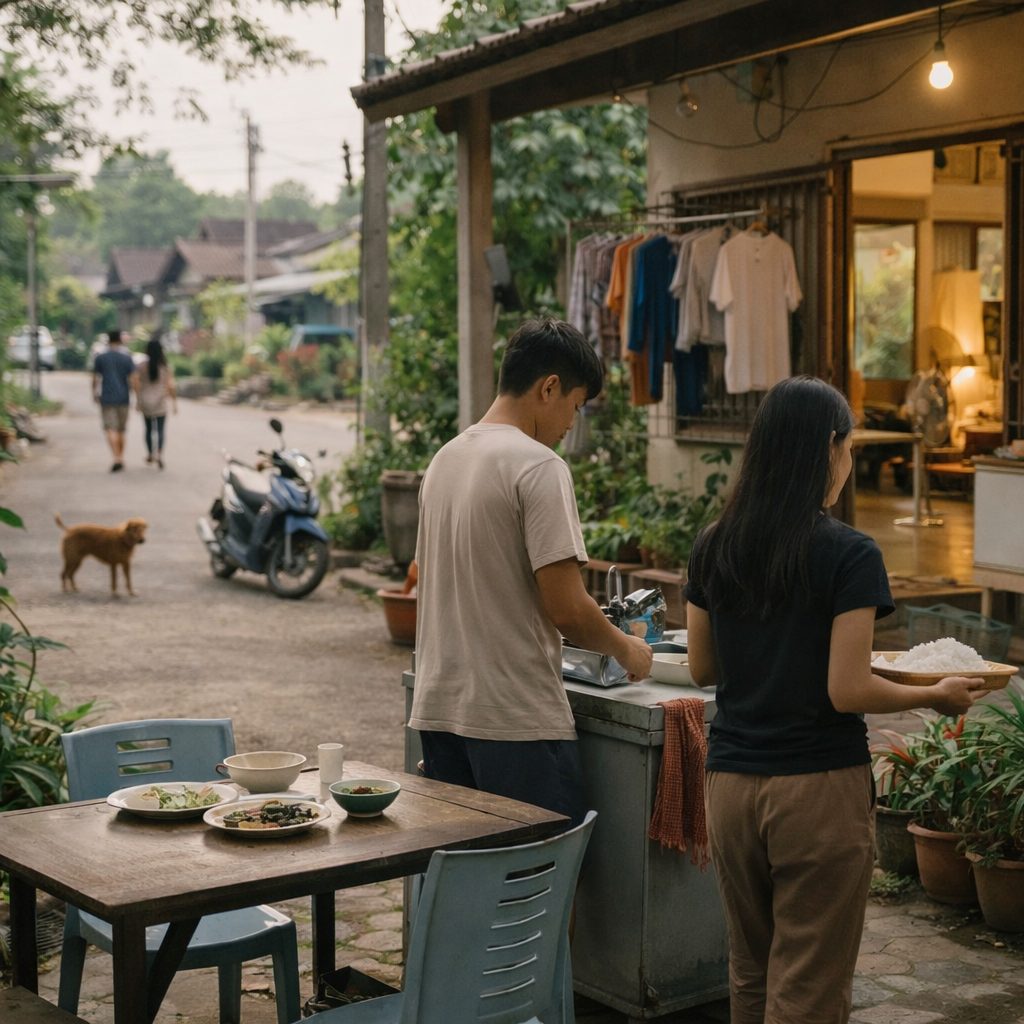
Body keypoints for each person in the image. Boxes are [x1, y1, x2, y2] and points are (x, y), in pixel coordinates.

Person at [684, 375, 987, 1024]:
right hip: (814, 790)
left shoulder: (715, 544)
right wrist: (933, 693)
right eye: (848, 449)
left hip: (732, 787)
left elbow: (702, 667)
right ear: (829, 448)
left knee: (751, 977)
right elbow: (846, 688)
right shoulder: (849, 554)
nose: (849, 464)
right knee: (809, 992)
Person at [410, 317, 653, 827]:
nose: (571, 423)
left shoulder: (444, 460)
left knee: (469, 883)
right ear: (549, 387)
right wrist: (628, 647)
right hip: (515, 721)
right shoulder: (538, 465)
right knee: (540, 884)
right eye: (575, 405)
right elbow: (568, 610)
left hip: (439, 711)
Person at [92, 330, 137, 472]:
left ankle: (117, 457)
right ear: (120, 340)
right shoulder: (126, 357)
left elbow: (95, 378)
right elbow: (133, 378)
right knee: (121, 430)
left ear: (108, 340)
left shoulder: (101, 357)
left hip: (107, 397)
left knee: (110, 428)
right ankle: (120, 457)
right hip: (124, 397)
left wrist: (94, 393)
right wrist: (136, 395)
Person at [134, 331, 177, 469]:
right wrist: (174, 403)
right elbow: (170, 386)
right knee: (160, 430)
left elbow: (135, 383)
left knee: (148, 429)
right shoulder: (165, 367)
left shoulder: (141, 366)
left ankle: (150, 454)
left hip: (145, 400)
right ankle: (159, 454)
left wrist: (138, 399)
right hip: (160, 401)